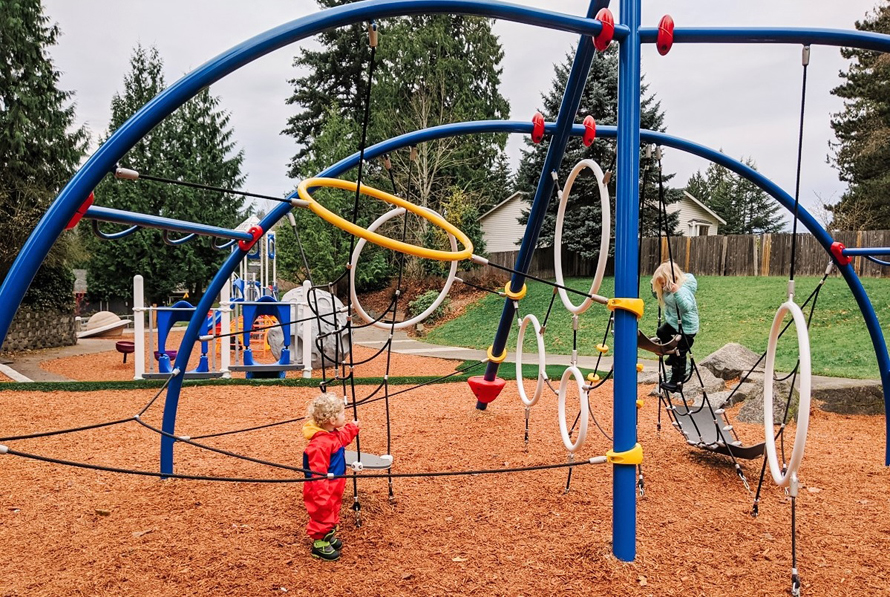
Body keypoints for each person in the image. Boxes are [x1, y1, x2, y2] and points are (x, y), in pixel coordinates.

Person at [302, 393, 360, 561]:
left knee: (333, 510)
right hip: (322, 489)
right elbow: (317, 475)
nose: (345, 416)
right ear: (333, 420)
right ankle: (319, 543)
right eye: (342, 414)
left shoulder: (331, 434)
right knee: (322, 513)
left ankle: (327, 535)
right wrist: (322, 496)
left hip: (334, 484)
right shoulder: (318, 445)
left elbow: (341, 439)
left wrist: (352, 428)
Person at [650, 261, 699, 393]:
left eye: (663, 282)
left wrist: (677, 293)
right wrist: (654, 285)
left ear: (672, 279)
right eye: (660, 283)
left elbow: (686, 308)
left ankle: (676, 383)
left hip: (687, 328)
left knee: (680, 354)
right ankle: (671, 354)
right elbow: (656, 295)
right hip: (674, 323)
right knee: (661, 332)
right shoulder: (666, 289)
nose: (662, 286)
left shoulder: (682, 290)